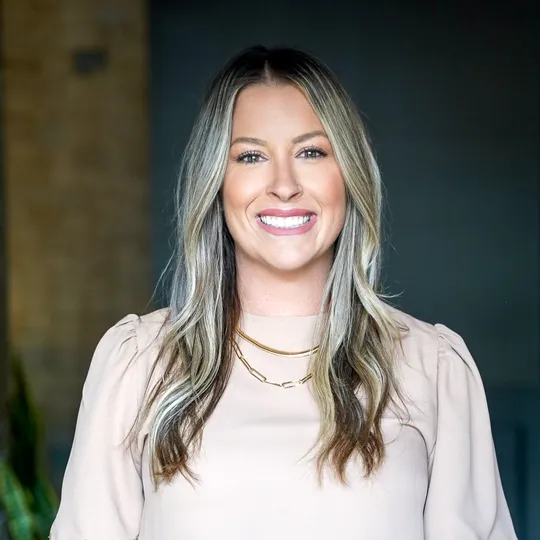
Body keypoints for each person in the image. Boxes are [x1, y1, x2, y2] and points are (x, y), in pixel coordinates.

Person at [50, 46, 517, 540]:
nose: (284, 185)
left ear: (349, 175)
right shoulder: (137, 364)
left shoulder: (434, 368)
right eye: (251, 156)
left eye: (311, 152)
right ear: (217, 183)